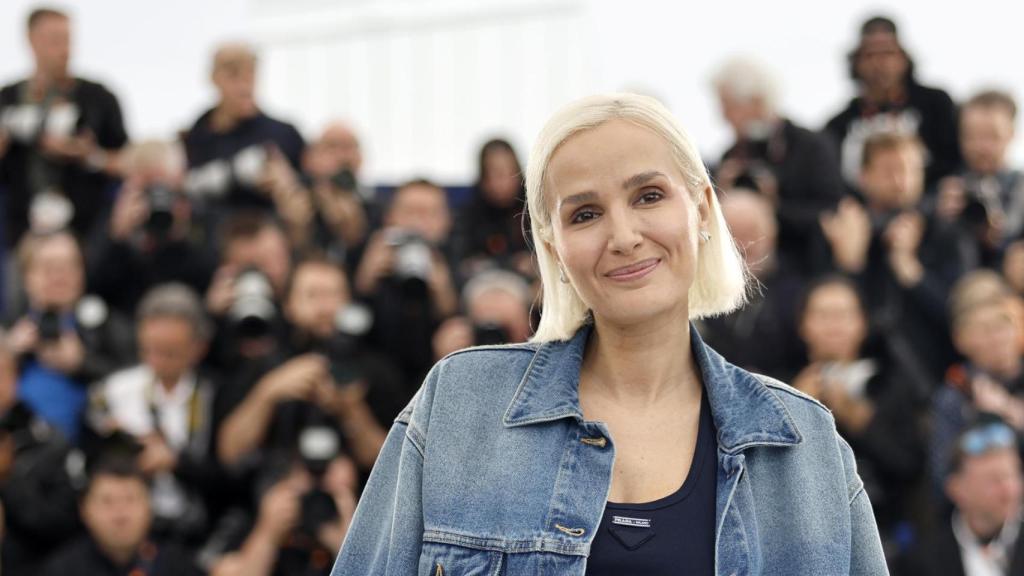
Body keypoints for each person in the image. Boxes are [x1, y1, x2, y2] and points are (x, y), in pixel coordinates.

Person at [331, 93, 886, 575]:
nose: (623, 236)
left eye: (648, 196)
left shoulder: (804, 446)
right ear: (553, 249)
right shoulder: (459, 403)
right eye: (585, 214)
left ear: (701, 208)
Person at [87, 283, 224, 547]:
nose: (155, 361)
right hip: (131, 529)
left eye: (169, 352)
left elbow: (227, 478)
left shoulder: (215, 396)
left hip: (195, 531)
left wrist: (177, 463)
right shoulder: (112, 392)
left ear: (199, 348)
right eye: (148, 349)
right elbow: (91, 458)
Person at [0, 7, 128, 248]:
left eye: (68, 39)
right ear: (31, 41)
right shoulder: (7, 99)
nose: (65, 50)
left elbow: (128, 163)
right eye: (55, 40)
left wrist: (90, 156)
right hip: (23, 236)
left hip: (88, 235)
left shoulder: (98, 98)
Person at [712, 57, 843, 274]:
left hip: (802, 269)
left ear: (758, 102)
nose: (724, 117)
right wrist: (722, 196)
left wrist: (774, 206)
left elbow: (832, 214)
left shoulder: (811, 147)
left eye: (729, 106)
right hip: (745, 272)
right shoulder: (732, 156)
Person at [4, 230, 133, 443]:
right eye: (48, 267)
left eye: (69, 266)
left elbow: (138, 382)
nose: (59, 276)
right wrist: (10, 357)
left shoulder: (108, 327)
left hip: (88, 450)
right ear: (26, 276)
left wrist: (82, 364)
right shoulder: (9, 332)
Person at [825, 16, 960, 189]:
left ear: (904, 58)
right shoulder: (838, 125)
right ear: (856, 62)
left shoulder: (935, 104)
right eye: (870, 55)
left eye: (888, 53)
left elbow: (952, 161)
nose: (880, 63)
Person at [86, 140, 217, 316]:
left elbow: (206, 281)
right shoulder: (112, 220)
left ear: (179, 180)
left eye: (162, 185)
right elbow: (94, 287)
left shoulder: (202, 218)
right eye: (147, 186)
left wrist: (179, 235)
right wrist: (117, 238)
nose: (157, 196)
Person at [182, 43, 306, 221]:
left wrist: (289, 184)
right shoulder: (193, 138)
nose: (244, 83)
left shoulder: (284, 135)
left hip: (268, 237)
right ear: (214, 78)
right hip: (211, 239)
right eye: (233, 73)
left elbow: (308, 190)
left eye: (251, 72)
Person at [41, 455, 203, 576]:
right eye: (107, 502)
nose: (120, 514)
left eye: (130, 499)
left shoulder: (178, 566)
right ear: (84, 510)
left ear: (150, 506)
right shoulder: (61, 570)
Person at [905, 422, 1024, 575]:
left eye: (1012, 476)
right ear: (956, 489)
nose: (1009, 490)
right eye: (993, 480)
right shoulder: (922, 560)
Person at [936, 90, 1023, 267]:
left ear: (1011, 133)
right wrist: (938, 220)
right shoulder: (944, 188)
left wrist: (1002, 240)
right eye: (971, 136)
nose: (981, 147)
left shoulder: (1019, 188)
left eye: (991, 136)